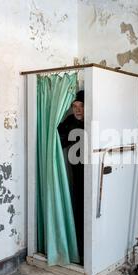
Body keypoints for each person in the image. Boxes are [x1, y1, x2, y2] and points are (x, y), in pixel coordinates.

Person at [58, 90, 85, 265]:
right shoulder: (70, 121)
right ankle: (80, 249)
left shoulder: (95, 121)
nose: (77, 110)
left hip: (95, 170)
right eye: (74, 106)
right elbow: (57, 139)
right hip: (77, 172)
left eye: (81, 106)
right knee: (79, 206)